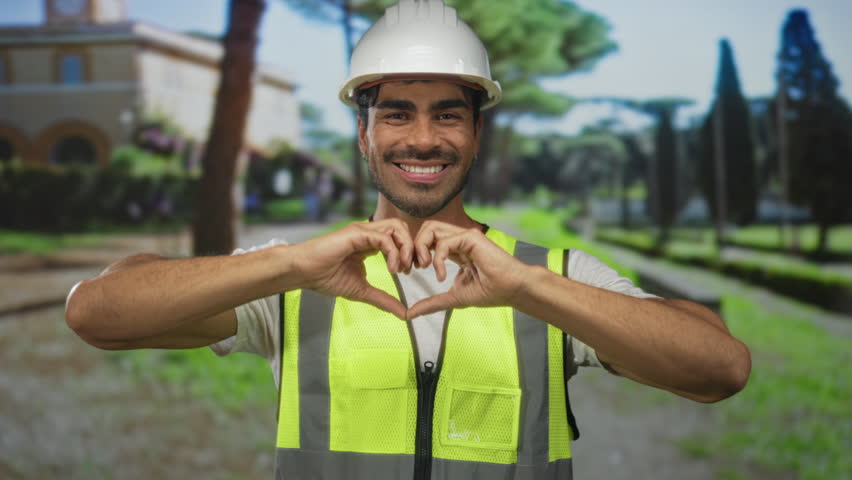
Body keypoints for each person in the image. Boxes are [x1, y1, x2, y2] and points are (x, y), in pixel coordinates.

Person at [65, 1, 751, 478]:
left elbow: (719, 369)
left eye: (448, 115)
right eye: (397, 114)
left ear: (476, 133)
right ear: (363, 134)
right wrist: (289, 263)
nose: (423, 139)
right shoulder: (295, 278)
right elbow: (97, 314)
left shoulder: (550, 274)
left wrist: (529, 287)